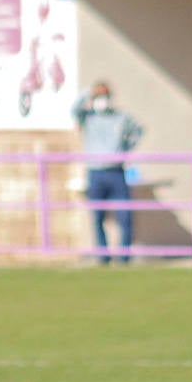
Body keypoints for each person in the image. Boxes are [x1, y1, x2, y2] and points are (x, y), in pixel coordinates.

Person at [73, 80, 143, 264]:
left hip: (116, 172)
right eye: (98, 96)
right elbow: (73, 109)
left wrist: (125, 149)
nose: (102, 100)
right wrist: (88, 91)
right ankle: (103, 256)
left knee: (125, 216)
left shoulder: (120, 117)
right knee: (97, 216)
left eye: (104, 96)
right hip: (95, 172)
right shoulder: (88, 117)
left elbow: (138, 130)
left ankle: (124, 258)